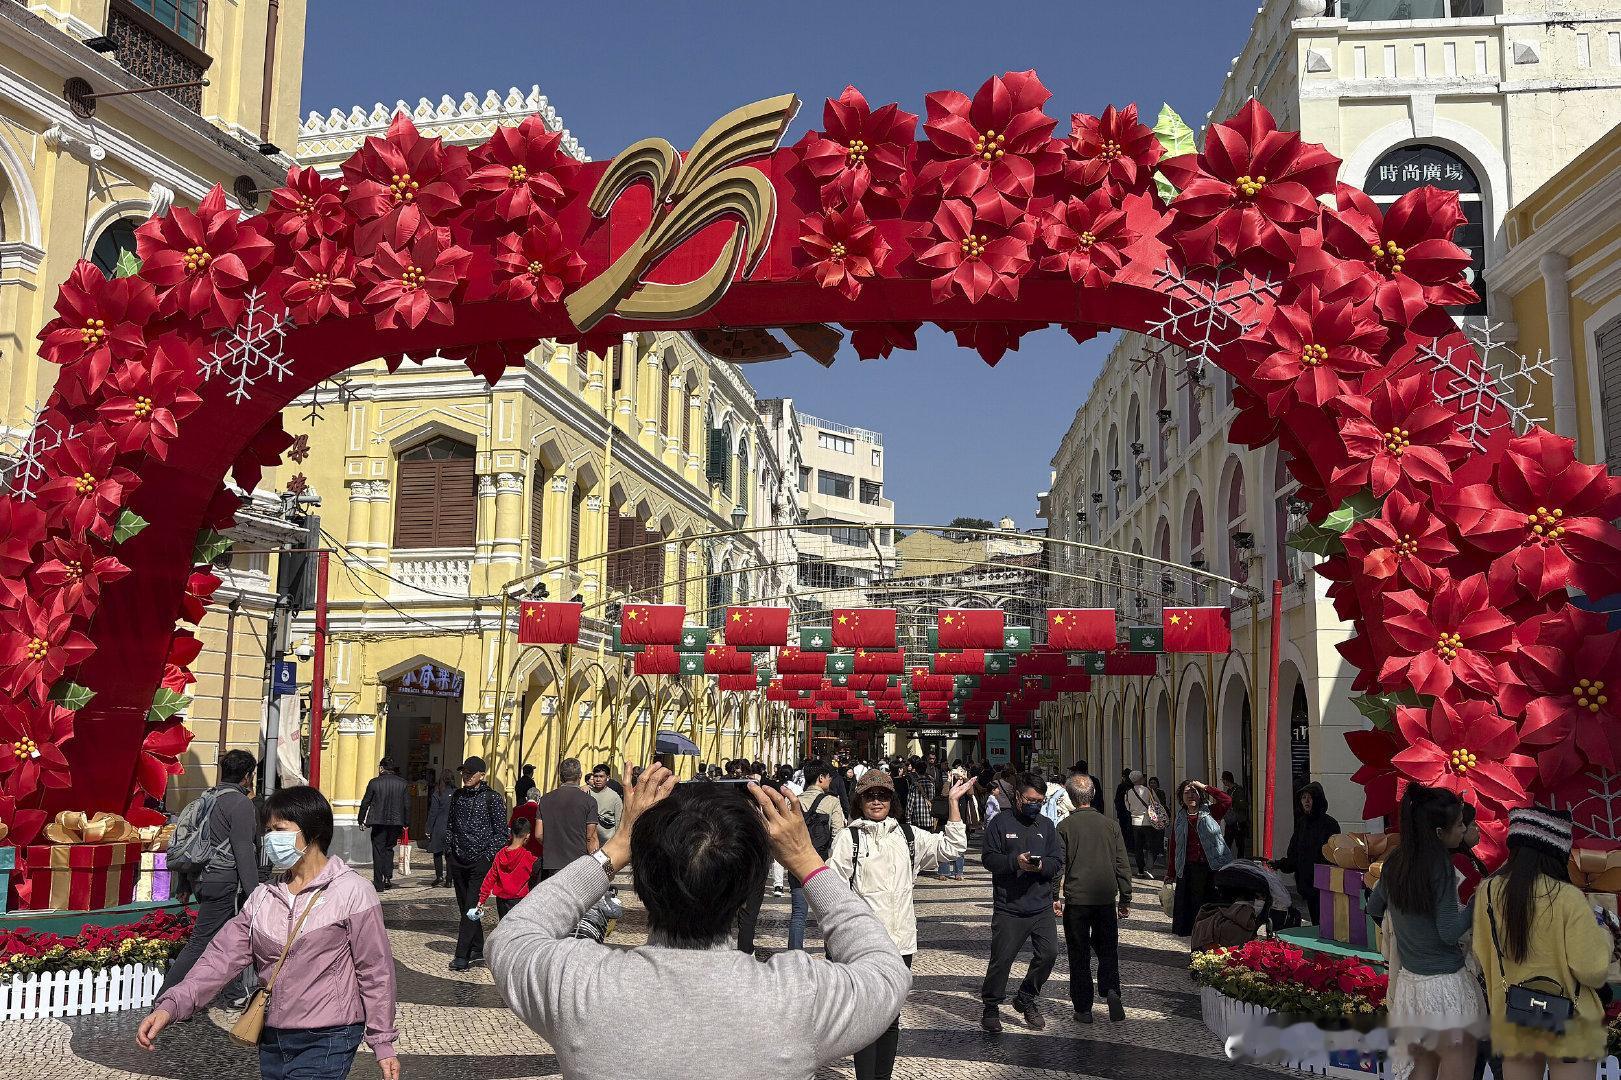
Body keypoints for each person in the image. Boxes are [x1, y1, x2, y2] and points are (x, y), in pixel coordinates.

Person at [487, 764, 911, 1080]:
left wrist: (613, 851)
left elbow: (515, 933)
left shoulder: (580, 985)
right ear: (748, 892)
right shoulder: (795, 997)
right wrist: (807, 862)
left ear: (644, 884)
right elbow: (885, 968)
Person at [137, 786, 400, 1080]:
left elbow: (375, 970)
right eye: (268, 830)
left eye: (280, 829)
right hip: (272, 1034)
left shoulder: (353, 892)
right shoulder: (263, 896)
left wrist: (382, 1041)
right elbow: (220, 958)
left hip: (330, 1035)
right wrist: (172, 1005)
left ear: (312, 832)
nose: (271, 839)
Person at [827, 769, 975, 1080]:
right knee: (866, 1018)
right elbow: (833, 892)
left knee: (891, 1017)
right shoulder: (848, 838)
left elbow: (950, 849)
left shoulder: (908, 836)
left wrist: (953, 803)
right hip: (863, 946)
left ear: (892, 800)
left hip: (901, 943)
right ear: (860, 800)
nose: (876, 800)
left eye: (882, 795)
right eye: (870, 795)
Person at [1472, 807, 1611, 1080]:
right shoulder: (1567, 897)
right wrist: (1604, 934)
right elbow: (1592, 970)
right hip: (1571, 1021)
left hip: (1514, 1015)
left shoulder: (1488, 892)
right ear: (1557, 851)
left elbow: (1481, 956)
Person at [1367, 784, 1485, 1080]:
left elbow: (1373, 906)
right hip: (1448, 989)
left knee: (1422, 1069)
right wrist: (1477, 902)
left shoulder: (1395, 861)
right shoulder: (1440, 867)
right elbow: (1449, 932)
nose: (1463, 829)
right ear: (1438, 831)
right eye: (1459, 824)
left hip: (1410, 987)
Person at [157, 748, 260, 999]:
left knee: (228, 939)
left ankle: (229, 990)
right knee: (200, 942)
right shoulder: (241, 804)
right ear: (247, 776)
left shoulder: (205, 799)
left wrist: (183, 884)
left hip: (200, 879)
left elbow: (190, 842)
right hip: (222, 880)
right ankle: (165, 997)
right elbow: (243, 850)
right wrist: (255, 893)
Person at [980, 771, 1062, 1033]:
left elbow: (1056, 862)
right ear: (1018, 797)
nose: (1034, 804)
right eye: (1030, 799)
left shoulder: (1047, 825)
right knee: (1001, 959)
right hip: (1009, 906)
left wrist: (1040, 868)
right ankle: (991, 1007)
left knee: (1049, 954)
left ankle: (1026, 998)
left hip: (1040, 905)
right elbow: (988, 859)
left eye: (1040, 800)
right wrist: (1015, 862)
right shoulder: (999, 823)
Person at [1056, 773, 1131, 1024]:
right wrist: (1126, 897)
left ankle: (1083, 1009)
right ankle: (1111, 990)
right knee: (1108, 950)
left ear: (1069, 797)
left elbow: (1059, 865)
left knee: (1079, 955)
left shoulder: (1065, 827)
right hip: (1105, 899)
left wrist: (1054, 895)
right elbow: (1122, 863)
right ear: (1094, 795)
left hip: (1077, 901)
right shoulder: (1110, 825)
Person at [446, 756, 508, 972]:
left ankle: (461, 955)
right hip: (458, 858)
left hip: (480, 861)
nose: (466, 777)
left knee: (472, 907)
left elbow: (502, 833)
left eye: (471, 773)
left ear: (482, 775)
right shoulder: (457, 796)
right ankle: (477, 946)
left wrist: (487, 857)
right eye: (464, 773)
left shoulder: (492, 798)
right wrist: (449, 850)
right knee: (464, 906)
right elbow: (450, 825)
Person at [784, 762, 846, 951]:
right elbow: (838, 834)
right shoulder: (832, 802)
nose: (830, 780)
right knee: (829, 914)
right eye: (828, 776)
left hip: (797, 863)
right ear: (821, 778)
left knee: (798, 915)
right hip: (821, 864)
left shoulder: (793, 802)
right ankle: (831, 953)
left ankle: (795, 955)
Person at [1166, 779, 1234, 937]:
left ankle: (1212, 941)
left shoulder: (1212, 811)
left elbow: (1227, 800)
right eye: (1187, 792)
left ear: (1200, 795)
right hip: (1189, 870)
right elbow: (1175, 847)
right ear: (1181, 797)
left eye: (1194, 791)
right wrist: (1170, 873)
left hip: (1212, 869)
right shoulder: (1180, 818)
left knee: (1212, 908)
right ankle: (1197, 944)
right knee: (1193, 911)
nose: (1191, 795)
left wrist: (1204, 787)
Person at [1276, 781, 1340, 924]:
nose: (1306, 801)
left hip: (1323, 882)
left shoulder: (1330, 824)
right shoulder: (1302, 823)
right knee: (1315, 919)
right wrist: (1281, 864)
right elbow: (1295, 852)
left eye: (1309, 797)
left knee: (1326, 921)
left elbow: (1332, 854)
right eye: (1303, 797)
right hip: (1307, 882)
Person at [535, 757, 600, 883]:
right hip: (578, 860)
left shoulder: (545, 799)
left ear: (560, 776)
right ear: (580, 775)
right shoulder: (589, 801)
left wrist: (552, 844)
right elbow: (590, 836)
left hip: (552, 861)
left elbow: (538, 834)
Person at [357, 758, 409, 891]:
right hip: (396, 822)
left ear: (381, 768)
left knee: (378, 851)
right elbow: (407, 805)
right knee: (389, 848)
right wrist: (406, 823)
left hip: (378, 821)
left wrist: (361, 819)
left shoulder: (374, 782)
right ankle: (387, 877)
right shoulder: (402, 783)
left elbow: (365, 802)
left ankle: (378, 882)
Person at [477, 818, 539, 918]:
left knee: (504, 928)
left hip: (501, 900)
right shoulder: (528, 858)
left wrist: (482, 900)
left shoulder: (500, 854)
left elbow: (490, 878)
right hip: (519, 899)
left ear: (511, 833)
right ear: (527, 835)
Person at [1122, 770, 1160, 878]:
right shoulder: (1148, 790)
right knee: (1151, 846)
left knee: (1138, 847)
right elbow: (1157, 803)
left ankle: (1140, 869)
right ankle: (1149, 867)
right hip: (1148, 822)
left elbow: (1127, 807)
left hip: (1135, 822)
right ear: (1140, 779)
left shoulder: (1128, 792)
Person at [424, 771, 452, 888]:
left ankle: (439, 875)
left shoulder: (438, 794)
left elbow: (433, 813)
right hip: (451, 827)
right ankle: (449, 879)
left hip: (439, 826)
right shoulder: (456, 793)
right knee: (450, 854)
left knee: (437, 852)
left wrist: (428, 829)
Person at [588, 764, 623, 843]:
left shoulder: (615, 797)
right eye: (596, 776)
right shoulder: (587, 792)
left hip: (607, 842)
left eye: (601, 776)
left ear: (607, 778)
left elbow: (618, 821)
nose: (598, 779)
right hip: (589, 840)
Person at [1220, 771, 1251, 860]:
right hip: (1231, 822)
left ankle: (1239, 861)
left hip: (1238, 822)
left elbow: (1243, 805)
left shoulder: (1238, 791)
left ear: (1227, 780)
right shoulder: (1230, 791)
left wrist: (1231, 804)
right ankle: (1225, 860)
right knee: (1227, 842)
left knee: (1239, 844)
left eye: (1223, 779)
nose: (1223, 782)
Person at [1113, 769, 1136, 856]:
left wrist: (1118, 810)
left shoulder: (1122, 786)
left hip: (1123, 812)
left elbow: (1117, 800)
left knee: (1124, 830)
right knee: (1131, 829)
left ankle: (1126, 846)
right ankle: (1132, 846)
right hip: (1131, 812)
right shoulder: (1133, 786)